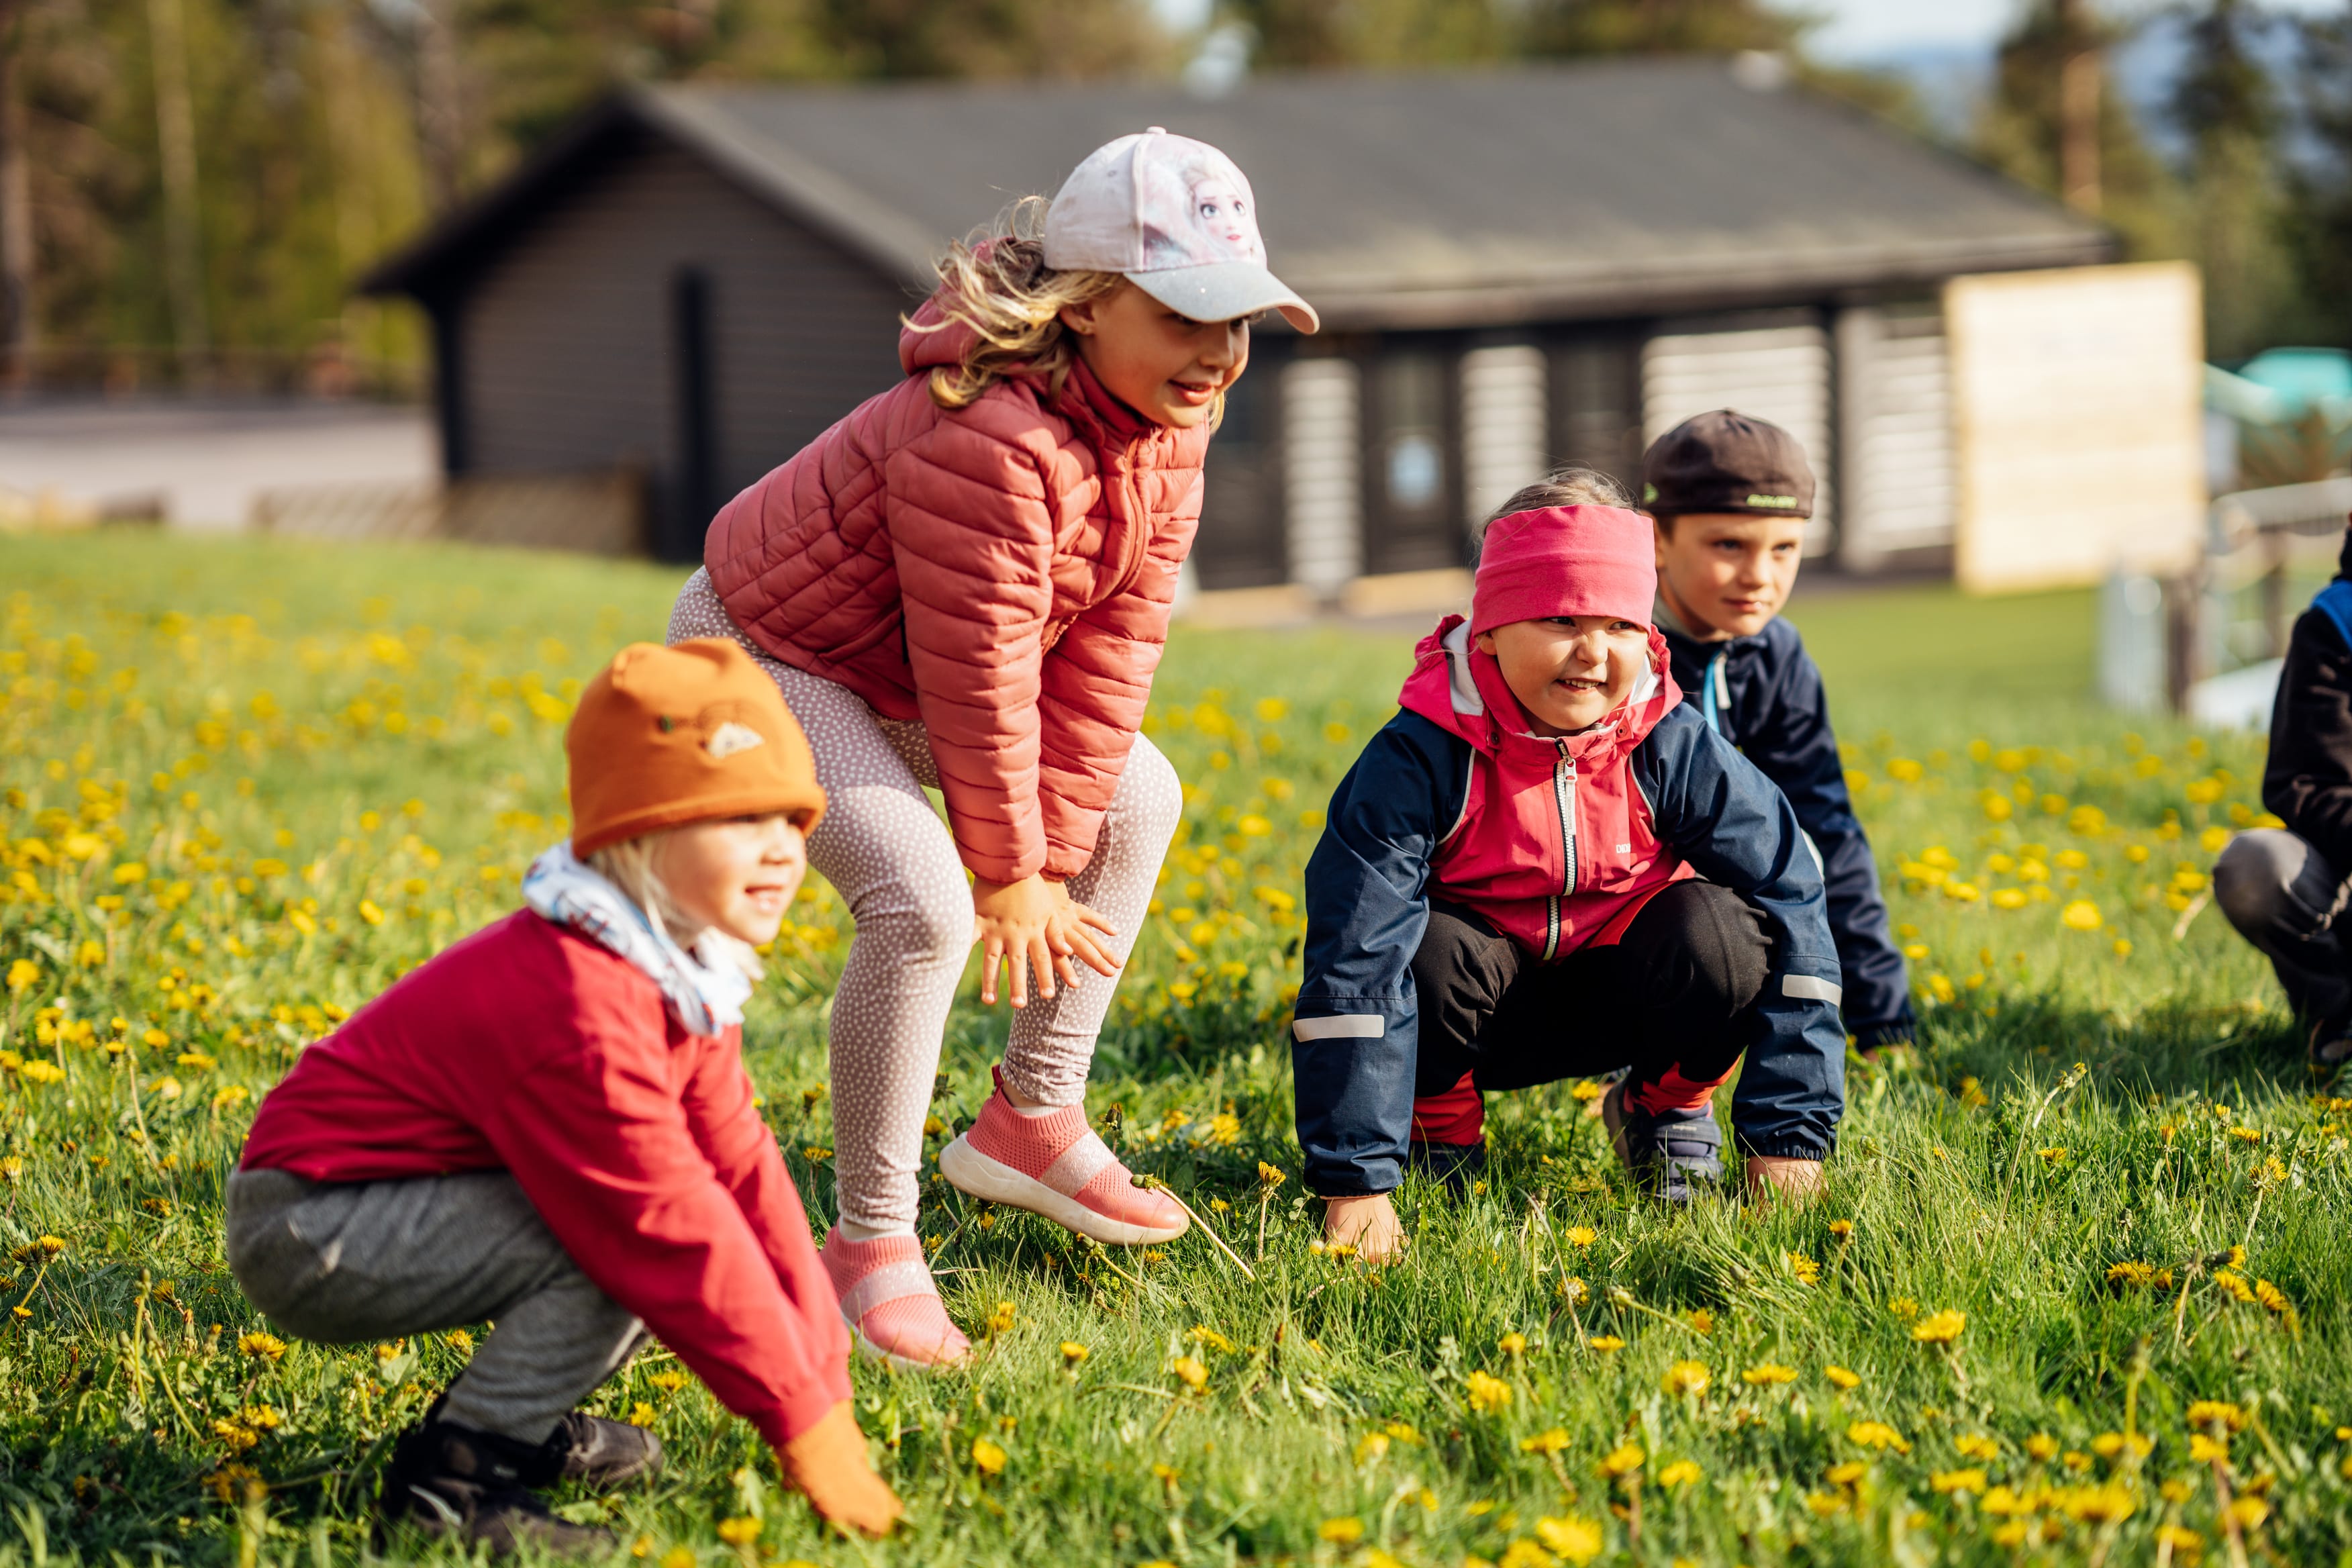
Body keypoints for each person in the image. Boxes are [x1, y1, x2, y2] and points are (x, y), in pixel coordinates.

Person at [668, 128, 1318, 1367]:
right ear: (1086, 307)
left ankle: (1028, 1116)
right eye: (1186, 316)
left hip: (887, 668)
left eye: (1238, 319)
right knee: (922, 900)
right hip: (763, 650)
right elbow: (979, 674)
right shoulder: (989, 438)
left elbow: (1106, 658)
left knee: (1140, 793)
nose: (1219, 352)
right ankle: (866, 1246)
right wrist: (1011, 872)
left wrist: (1049, 849)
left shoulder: (1164, 432)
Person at [226, 641, 901, 1552]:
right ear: (640, 830)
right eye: (743, 818)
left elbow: (738, 1163)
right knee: (617, 1239)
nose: (785, 851)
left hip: (397, 1203)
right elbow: (662, 1219)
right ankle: (456, 1484)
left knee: (664, 1227)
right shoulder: (583, 1002)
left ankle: (518, 1423)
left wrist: (822, 1380)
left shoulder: (678, 968)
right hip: (311, 1226)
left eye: (792, 820)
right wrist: (801, 1425)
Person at [1291, 493, 1847, 1261]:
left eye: (1620, 624)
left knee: (1725, 935)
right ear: (1489, 629)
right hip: (1480, 1021)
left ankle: (1665, 1108)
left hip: (1626, 1000)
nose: (1594, 651)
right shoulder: (1420, 756)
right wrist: (1354, 1179)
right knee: (1421, 949)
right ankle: (1436, 1131)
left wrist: (1790, 1135)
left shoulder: (1671, 742)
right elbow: (1353, 953)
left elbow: (1793, 894)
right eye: (1561, 620)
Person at [1643, 411, 1914, 1052]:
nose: (1760, 576)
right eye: (1729, 545)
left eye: (1784, 548)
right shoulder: (1612, 653)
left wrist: (1881, 1015)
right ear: (1656, 539)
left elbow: (1827, 832)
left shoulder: (1776, 656)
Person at [2215, 520, 2352, 1067]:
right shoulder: (2334, 624)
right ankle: (2336, 1017)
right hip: (2343, 880)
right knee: (2254, 866)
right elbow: (2304, 784)